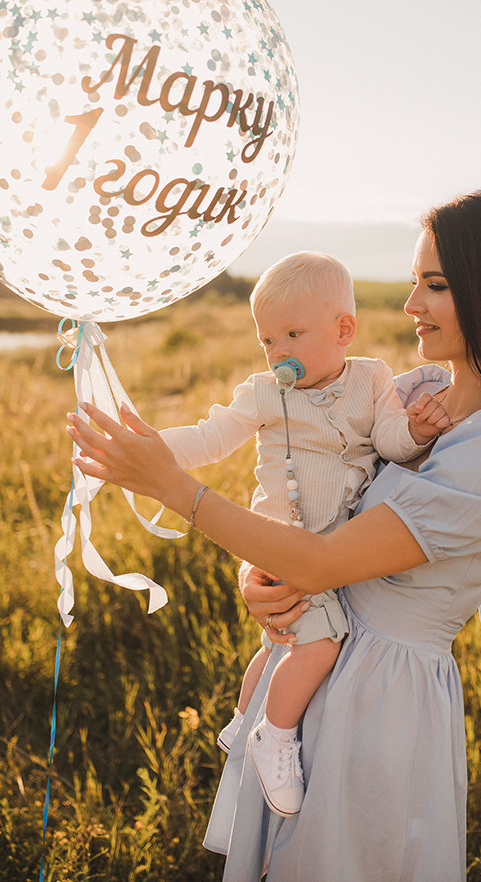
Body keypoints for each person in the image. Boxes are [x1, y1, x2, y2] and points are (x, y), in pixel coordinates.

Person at [67, 190, 481, 882]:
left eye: (434, 285)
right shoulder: (410, 393)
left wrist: (173, 486)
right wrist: (261, 578)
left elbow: (325, 561)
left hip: (378, 699)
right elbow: (320, 522)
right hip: (311, 658)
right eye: (413, 282)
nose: (410, 306)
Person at [158, 250, 450, 815]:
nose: (278, 352)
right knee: (318, 644)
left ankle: (244, 721)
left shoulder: (372, 378)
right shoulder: (265, 392)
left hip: (335, 546)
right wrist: (152, 450)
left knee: (280, 642)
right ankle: (275, 733)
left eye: (292, 333)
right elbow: (211, 437)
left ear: (344, 330)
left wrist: (412, 429)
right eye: (267, 340)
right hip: (286, 541)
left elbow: (390, 441)